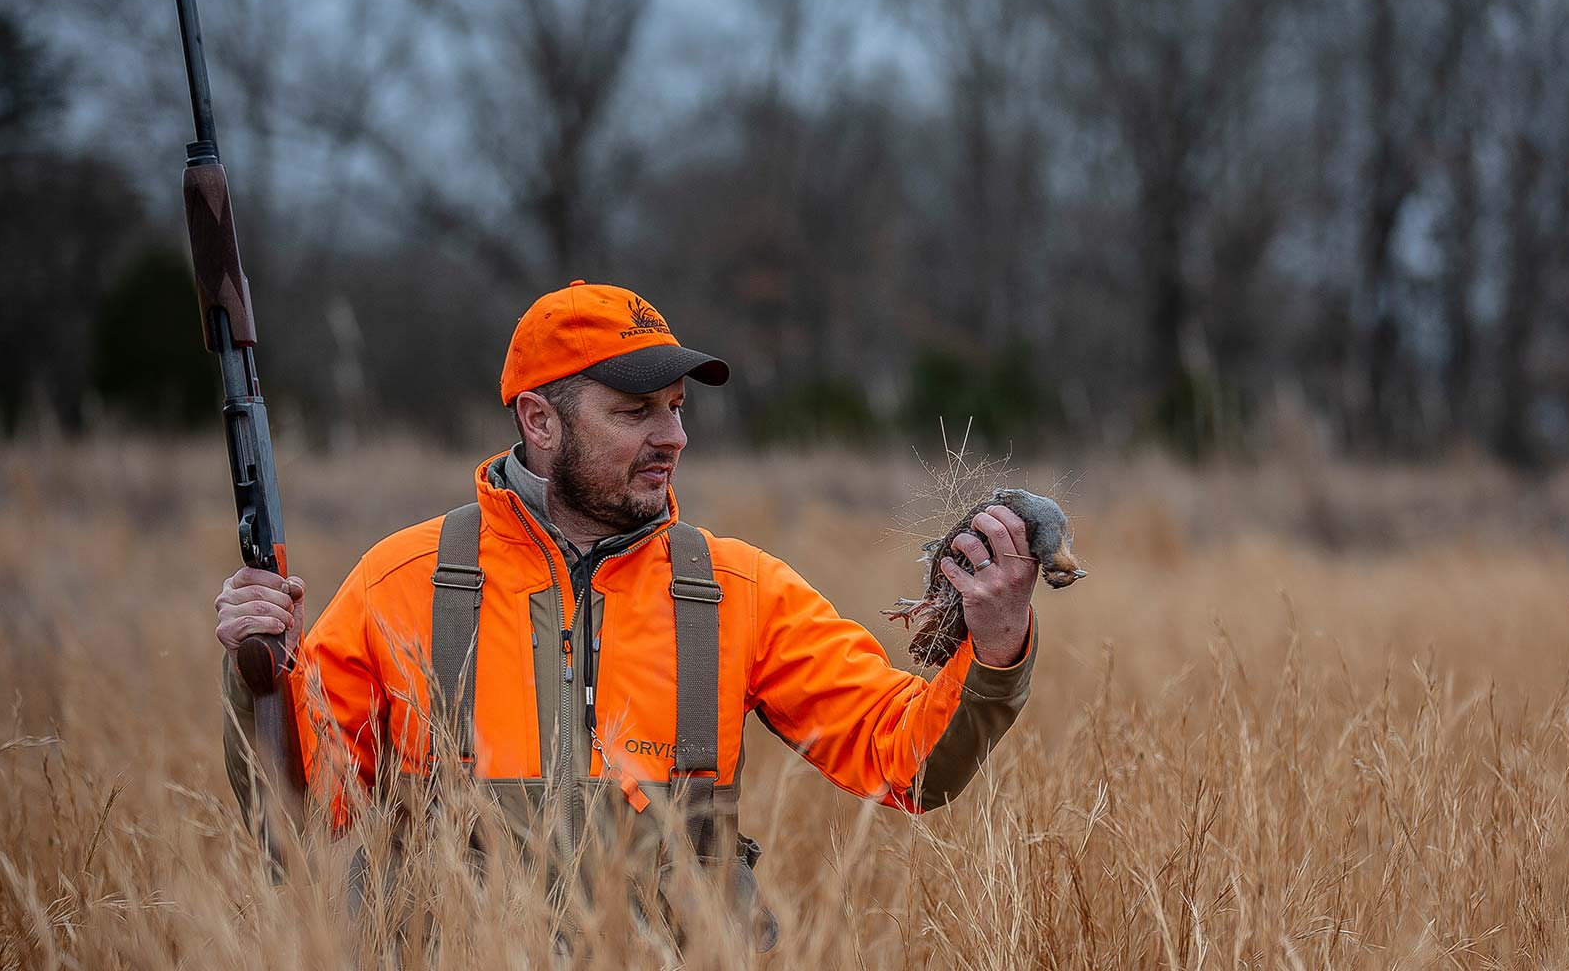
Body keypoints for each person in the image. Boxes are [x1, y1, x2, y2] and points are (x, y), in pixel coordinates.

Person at [213, 280, 1040, 950]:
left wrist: (996, 648)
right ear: (540, 420)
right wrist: (260, 678)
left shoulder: (736, 590)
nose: (673, 435)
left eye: (677, 407)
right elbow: (295, 823)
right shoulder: (404, 582)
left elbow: (905, 761)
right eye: (635, 410)